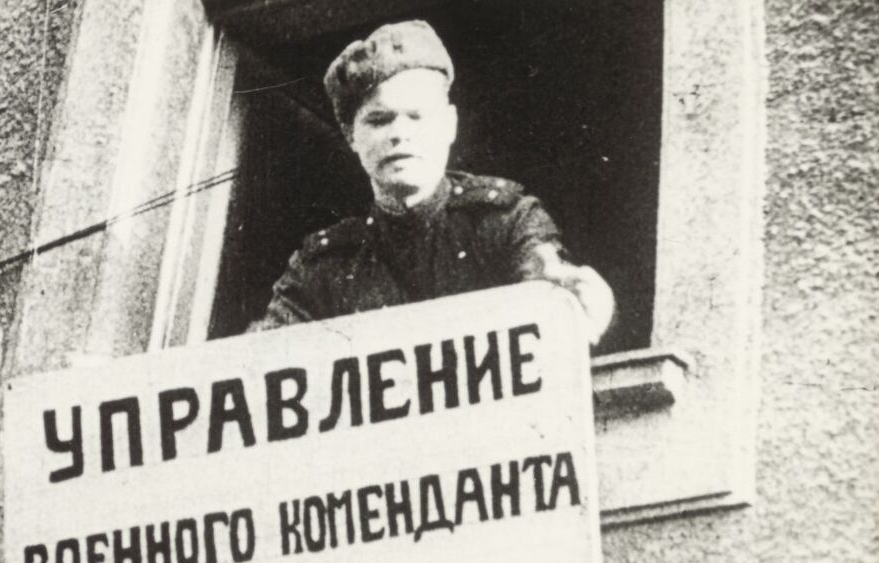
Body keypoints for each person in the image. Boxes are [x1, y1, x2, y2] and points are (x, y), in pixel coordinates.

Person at [249, 19, 614, 344]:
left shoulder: (504, 222)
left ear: (449, 125)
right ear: (351, 136)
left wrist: (576, 298)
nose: (399, 133)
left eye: (417, 116)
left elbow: (545, 280)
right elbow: (262, 353)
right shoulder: (322, 267)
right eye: (379, 120)